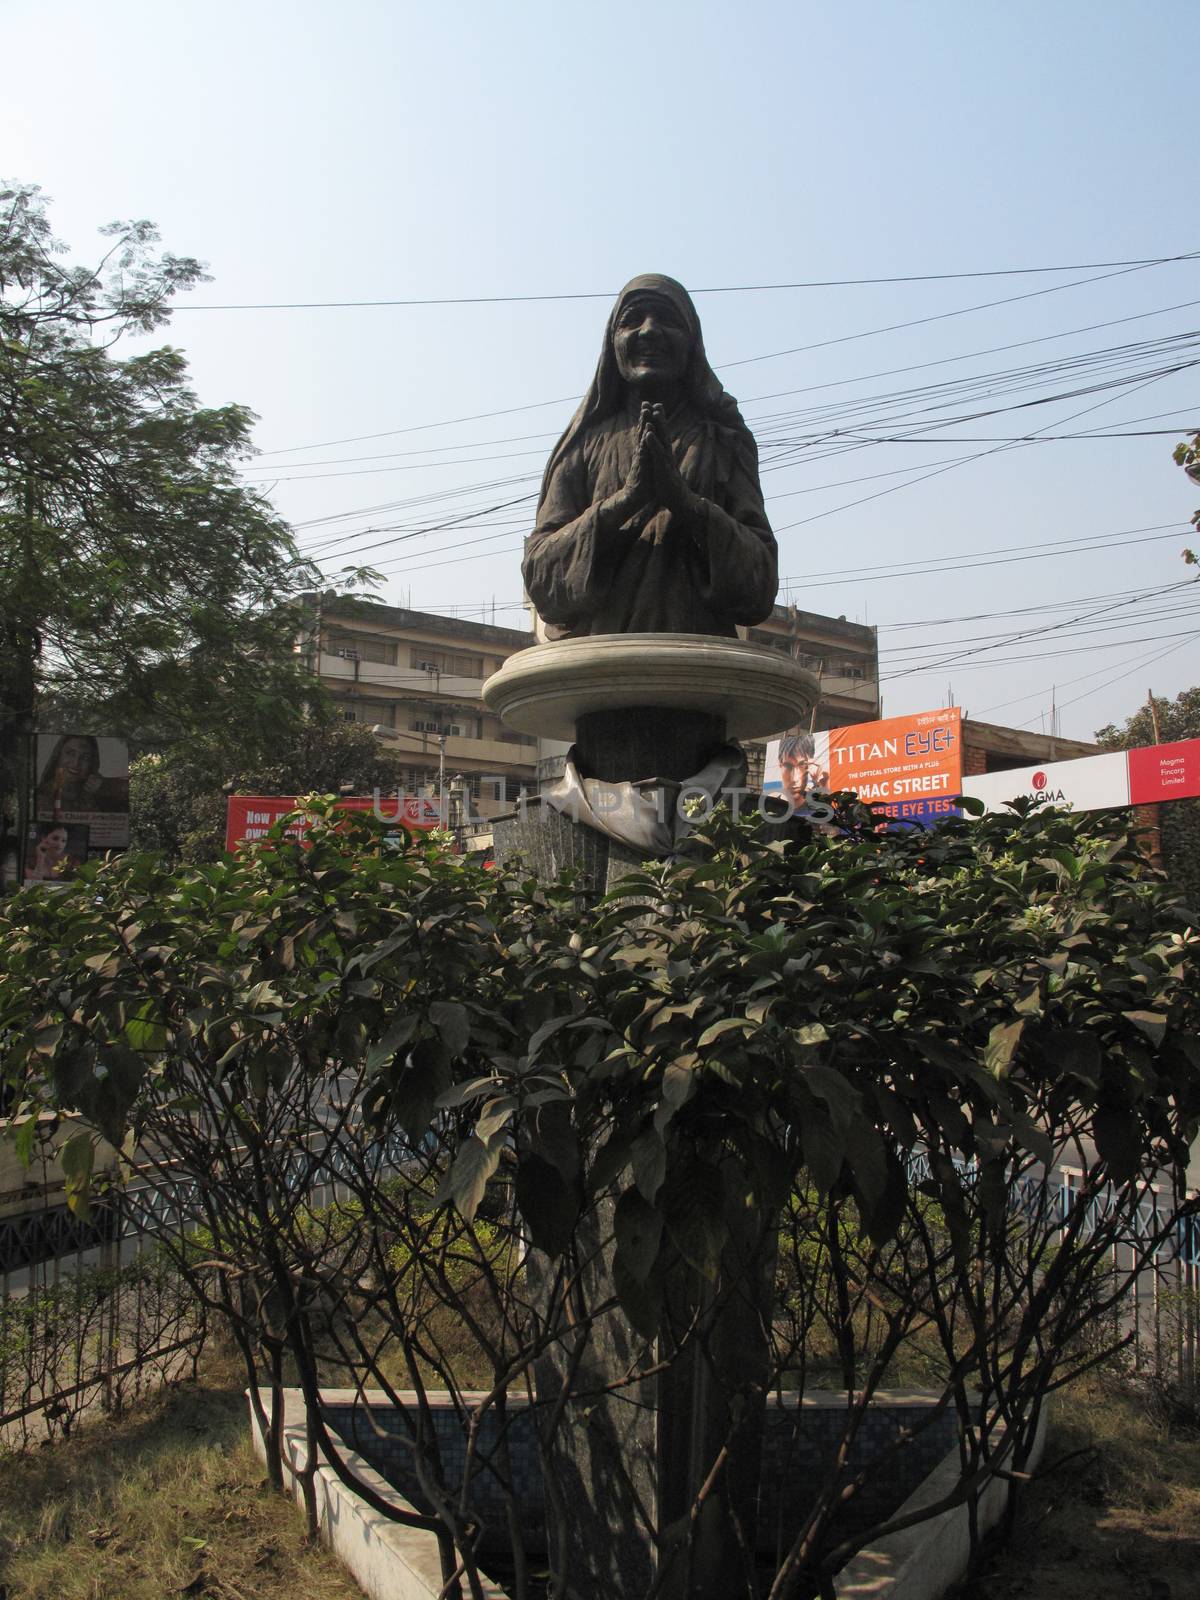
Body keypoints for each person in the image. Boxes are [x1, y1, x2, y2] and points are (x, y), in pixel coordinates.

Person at [522, 274, 778, 639]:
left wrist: (686, 504)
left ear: (692, 343)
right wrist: (626, 501)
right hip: (600, 670)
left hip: (697, 666)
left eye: (667, 320)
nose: (649, 331)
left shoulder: (723, 440)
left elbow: (760, 586)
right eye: (632, 320)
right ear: (613, 343)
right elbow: (541, 579)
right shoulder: (582, 444)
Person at [36, 734, 127, 814]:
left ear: (92, 764)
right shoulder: (40, 796)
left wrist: (107, 788)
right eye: (70, 753)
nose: (76, 763)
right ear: (58, 756)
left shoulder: (100, 793)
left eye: (85, 758)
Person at [777, 730, 829, 808]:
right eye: (788, 766)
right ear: (780, 765)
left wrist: (824, 786)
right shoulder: (771, 806)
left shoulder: (817, 807)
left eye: (802, 765)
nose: (795, 779)